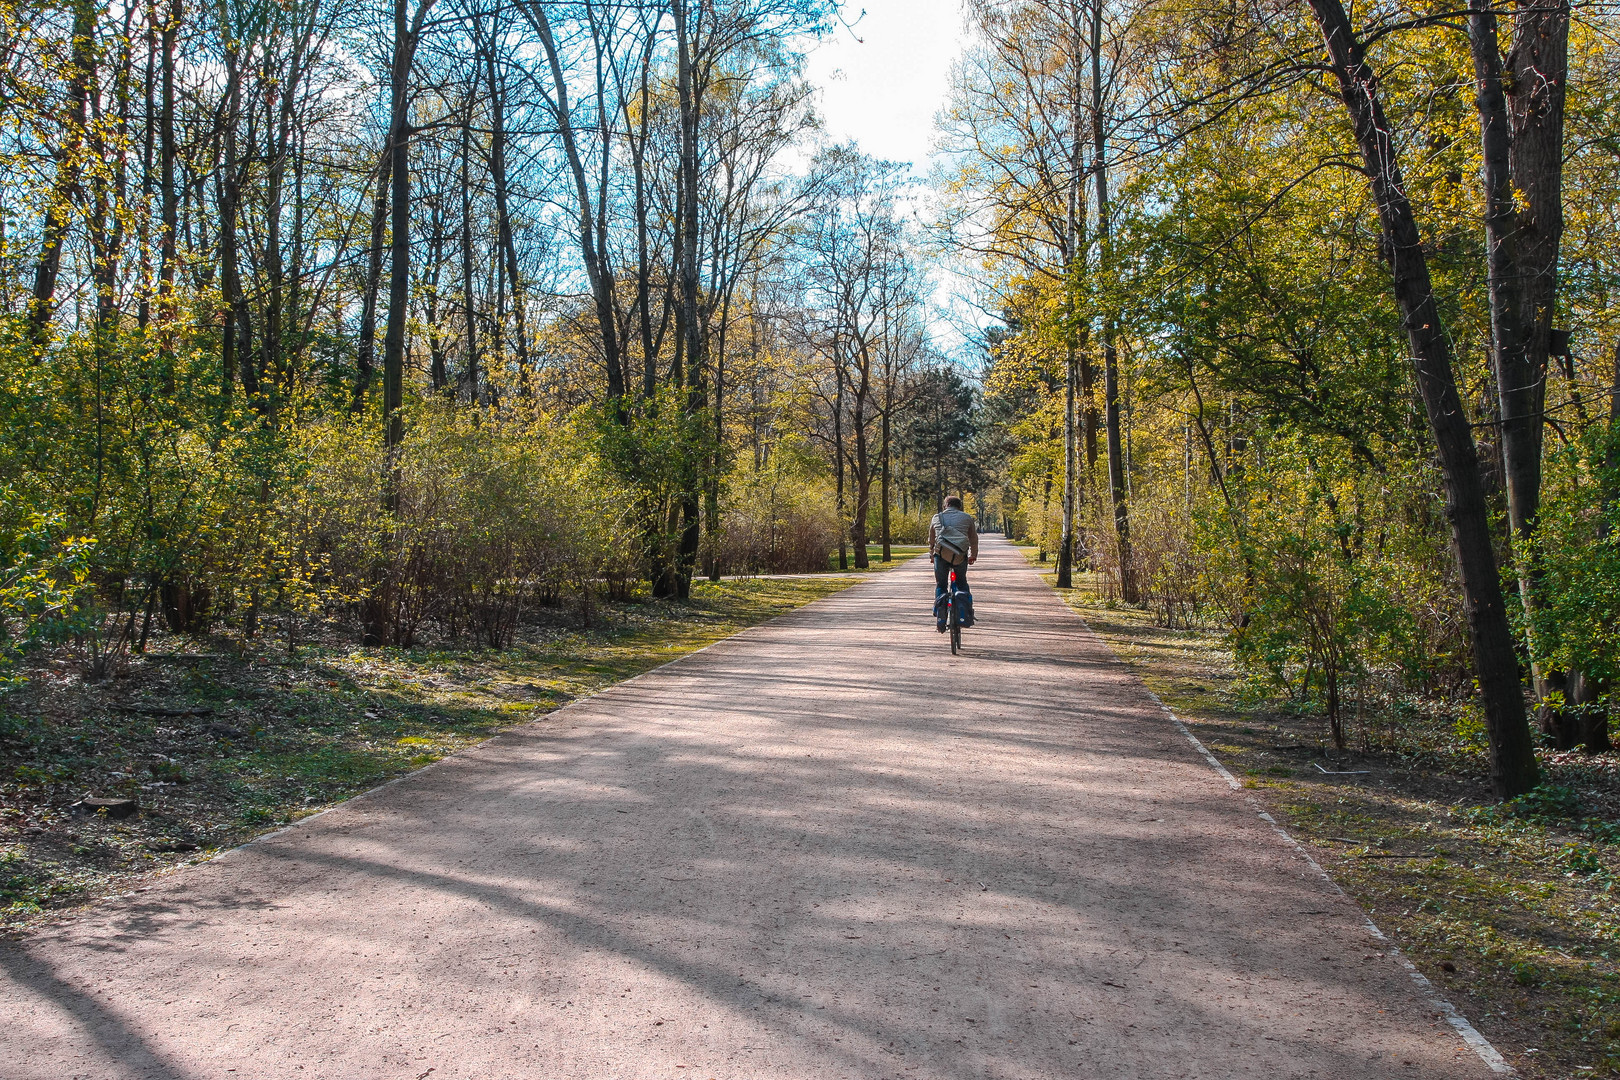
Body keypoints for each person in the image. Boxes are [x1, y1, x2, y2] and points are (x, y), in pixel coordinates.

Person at [928, 496, 979, 632]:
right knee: (962, 582)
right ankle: (965, 613)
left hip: (941, 555)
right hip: (960, 556)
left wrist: (931, 555)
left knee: (941, 584)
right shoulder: (967, 518)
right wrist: (973, 555)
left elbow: (932, 539)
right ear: (959, 506)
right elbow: (973, 539)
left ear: (946, 505)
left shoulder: (937, 517)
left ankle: (940, 614)